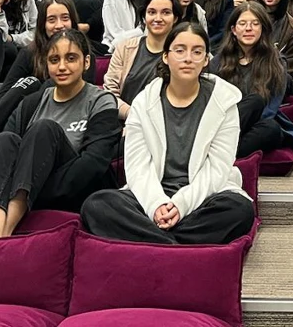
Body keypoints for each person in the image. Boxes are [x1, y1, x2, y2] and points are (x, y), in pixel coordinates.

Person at [80, 21, 256, 246]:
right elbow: (137, 166)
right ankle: (176, 244)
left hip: (203, 195)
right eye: (180, 50)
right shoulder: (143, 102)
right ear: (166, 56)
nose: (188, 58)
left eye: (197, 52)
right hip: (152, 192)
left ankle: (155, 241)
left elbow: (217, 169)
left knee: (240, 210)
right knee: (96, 205)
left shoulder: (224, 102)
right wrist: (156, 205)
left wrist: (181, 205)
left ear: (206, 60)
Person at [0, 29, 120, 237]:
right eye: (54, 60)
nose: (62, 66)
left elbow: (93, 164)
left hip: (74, 191)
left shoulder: (101, 101)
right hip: (26, 188)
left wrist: (35, 186)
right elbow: (6, 157)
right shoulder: (32, 103)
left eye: (71, 58)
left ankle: (4, 234)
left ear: (86, 62)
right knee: (4, 139)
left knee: (44, 129)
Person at [211, 2, 293, 158]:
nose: (248, 28)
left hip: (256, 126)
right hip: (224, 124)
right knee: (252, 102)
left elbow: (270, 110)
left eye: (255, 23)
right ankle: (222, 148)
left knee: (268, 123)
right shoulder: (218, 62)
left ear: (263, 29)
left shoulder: (276, 63)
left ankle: (220, 153)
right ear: (233, 30)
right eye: (242, 23)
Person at [105, 0, 182, 119]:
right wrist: (133, 115)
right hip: (125, 120)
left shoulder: (182, 53)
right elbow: (110, 93)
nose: (158, 18)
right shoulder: (124, 48)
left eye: (166, 12)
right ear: (144, 17)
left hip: (165, 122)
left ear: (175, 18)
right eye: (152, 12)